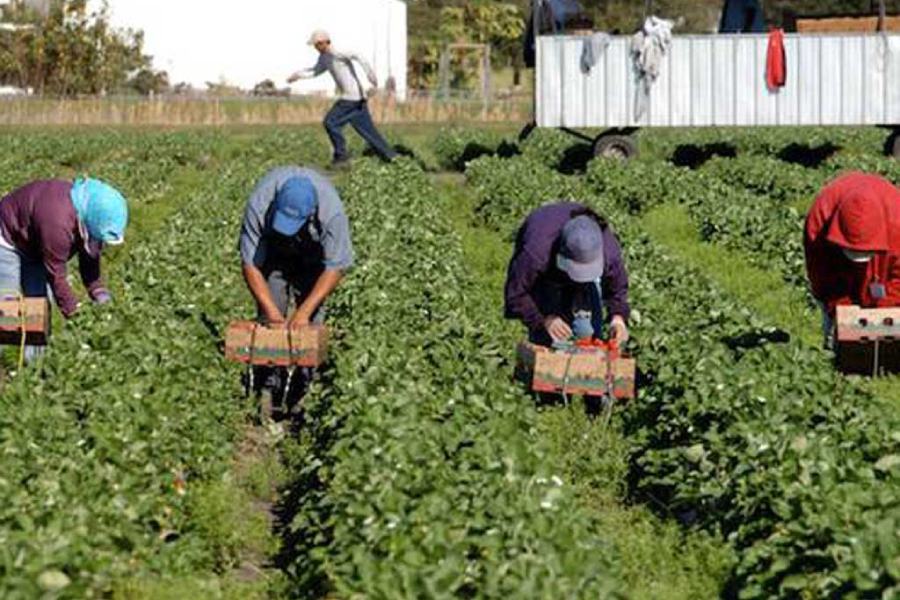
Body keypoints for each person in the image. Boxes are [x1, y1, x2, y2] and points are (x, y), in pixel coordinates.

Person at [239, 166, 354, 421]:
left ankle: (303, 390)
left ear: (311, 212)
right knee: (272, 318)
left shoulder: (331, 211)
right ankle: (268, 383)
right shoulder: (260, 203)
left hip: (314, 259)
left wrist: (303, 312)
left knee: (310, 326)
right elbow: (250, 264)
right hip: (275, 255)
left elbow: (336, 267)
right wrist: (272, 314)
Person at [0, 178, 128, 361]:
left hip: (34, 244)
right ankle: (6, 362)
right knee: (8, 307)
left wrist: (98, 290)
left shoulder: (89, 213)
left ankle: (33, 367)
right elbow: (56, 276)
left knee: (38, 305)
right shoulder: (58, 221)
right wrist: (76, 315)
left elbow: (89, 255)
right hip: (6, 239)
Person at [504, 202, 630, 346]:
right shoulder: (535, 253)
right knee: (549, 338)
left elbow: (618, 290)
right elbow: (516, 294)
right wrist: (544, 320)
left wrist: (618, 319)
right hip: (547, 273)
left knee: (588, 332)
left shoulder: (609, 252)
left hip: (579, 262)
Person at [804, 172, 900, 348]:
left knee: (890, 330)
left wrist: (883, 313)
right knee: (838, 338)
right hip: (838, 271)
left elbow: (899, 278)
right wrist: (842, 311)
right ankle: (837, 358)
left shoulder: (897, 221)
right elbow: (823, 278)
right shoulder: (819, 221)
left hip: (882, 276)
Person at [287, 29, 397, 168]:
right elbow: (316, 71)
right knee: (369, 132)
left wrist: (370, 74)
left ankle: (341, 157)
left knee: (330, 122)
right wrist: (298, 75)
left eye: (317, 45)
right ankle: (393, 158)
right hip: (357, 100)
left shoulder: (337, 52)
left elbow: (358, 55)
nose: (316, 48)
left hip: (351, 98)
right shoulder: (324, 57)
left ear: (324, 42)